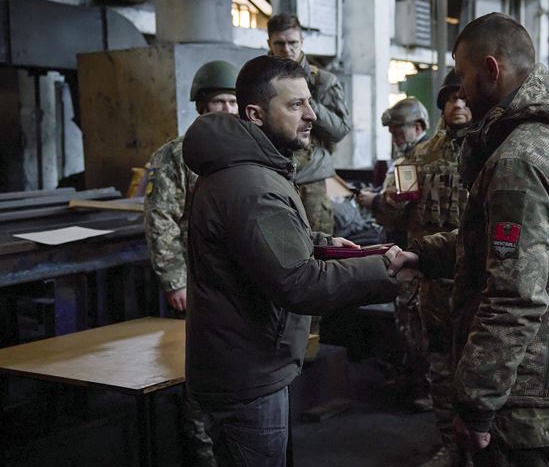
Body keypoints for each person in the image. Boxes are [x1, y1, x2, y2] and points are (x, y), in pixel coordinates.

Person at [391, 13, 549, 466]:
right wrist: (421, 253)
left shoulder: (520, 160)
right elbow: (501, 245)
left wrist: (476, 402)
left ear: (492, 69)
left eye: (464, 77)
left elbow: (515, 296)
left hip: (524, 398)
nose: (461, 92)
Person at [183, 55, 401, 467]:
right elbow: (299, 282)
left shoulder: (252, 170)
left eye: (309, 102)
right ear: (256, 114)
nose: (311, 116)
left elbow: (261, 243)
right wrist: (384, 270)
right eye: (295, 105)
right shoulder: (250, 184)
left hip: (250, 362)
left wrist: (321, 243)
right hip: (248, 373)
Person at [372, 71, 472, 467]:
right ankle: (450, 443)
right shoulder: (419, 157)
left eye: (464, 98)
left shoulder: (497, 152)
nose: (458, 105)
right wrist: (391, 200)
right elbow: (390, 212)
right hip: (433, 280)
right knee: (441, 366)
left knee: (485, 364)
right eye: (450, 99)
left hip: (481, 280)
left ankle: (487, 443)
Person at [143, 59, 238, 467]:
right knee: (200, 376)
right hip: (198, 283)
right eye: (219, 101)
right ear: (201, 105)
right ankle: (204, 456)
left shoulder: (247, 152)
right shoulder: (175, 156)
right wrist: (174, 280)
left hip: (240, 282)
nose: (228, 110)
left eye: (234, 102)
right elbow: (159, 218)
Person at [357, 96, 432, 412]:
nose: (395, 138)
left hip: (413, 251)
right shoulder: (420, 157)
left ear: (417, 128)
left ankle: (426, 387)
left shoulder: (414, 161)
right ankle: (416, 379)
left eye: (399, 131)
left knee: (415, 321)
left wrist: (373, 201)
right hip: (417, 248)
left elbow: (397, 208)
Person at [268, 13, 351, 235]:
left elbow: (340, 130)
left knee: (320, 251)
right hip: (272, 177)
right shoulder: (259, 79)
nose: (287, 49)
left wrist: (304, 97)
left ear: (302, 41)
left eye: (292, 42)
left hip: (312, 180)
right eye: (280, 43)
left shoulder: (322, 81)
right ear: (269, 44)